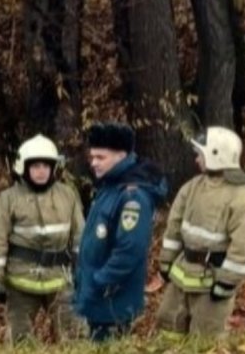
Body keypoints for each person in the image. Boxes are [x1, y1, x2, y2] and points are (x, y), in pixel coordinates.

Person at [155, 126, 245, 340]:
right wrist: (166, 261)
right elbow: (173, 228)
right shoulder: (191, 187)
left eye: (200, 154)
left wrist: (227, 282)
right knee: (168, 324)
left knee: (206, 336)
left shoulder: (243, 199)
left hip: (213, 281)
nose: (196, 160)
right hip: (181, 274)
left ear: (216, 156)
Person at [0, 134, 84, 344]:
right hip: (21, 281)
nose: (41, 171)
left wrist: (83, 268)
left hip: (60, 279)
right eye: (36, 166)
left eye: (46, 166)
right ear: (23, 167)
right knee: (18, 338)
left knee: (74, 335)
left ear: (54, 168)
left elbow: (80, 235)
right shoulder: (8, 200)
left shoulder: (67, 196)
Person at [74, 122, 167, 342]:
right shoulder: (110, 187)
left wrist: (101, 282)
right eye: (92, 157)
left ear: (121, 155)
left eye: (101, 157)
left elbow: (130, 250)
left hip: (112, 301)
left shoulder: (132, 197)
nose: (94, 163)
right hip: (99, 301)